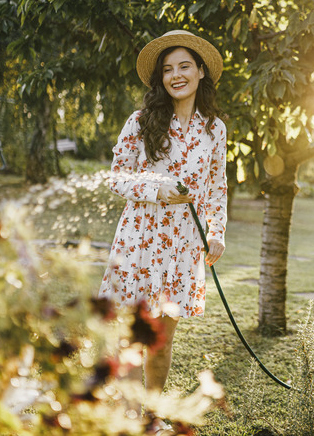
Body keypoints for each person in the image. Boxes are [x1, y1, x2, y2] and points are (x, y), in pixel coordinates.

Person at [98, 30, 227, 398]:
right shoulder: (140, 122)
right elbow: (117, 177)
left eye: (185, 66)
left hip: (184, 247)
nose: (176, 75)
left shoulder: (215, 129)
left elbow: (217, 189)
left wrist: (216, 232)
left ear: (201, 71)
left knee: (161, 342)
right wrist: (156, 190)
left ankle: (153, 414)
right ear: (161, 78)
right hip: (140, 240)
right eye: (168, 69)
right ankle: (128, 415)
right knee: (132, 339)